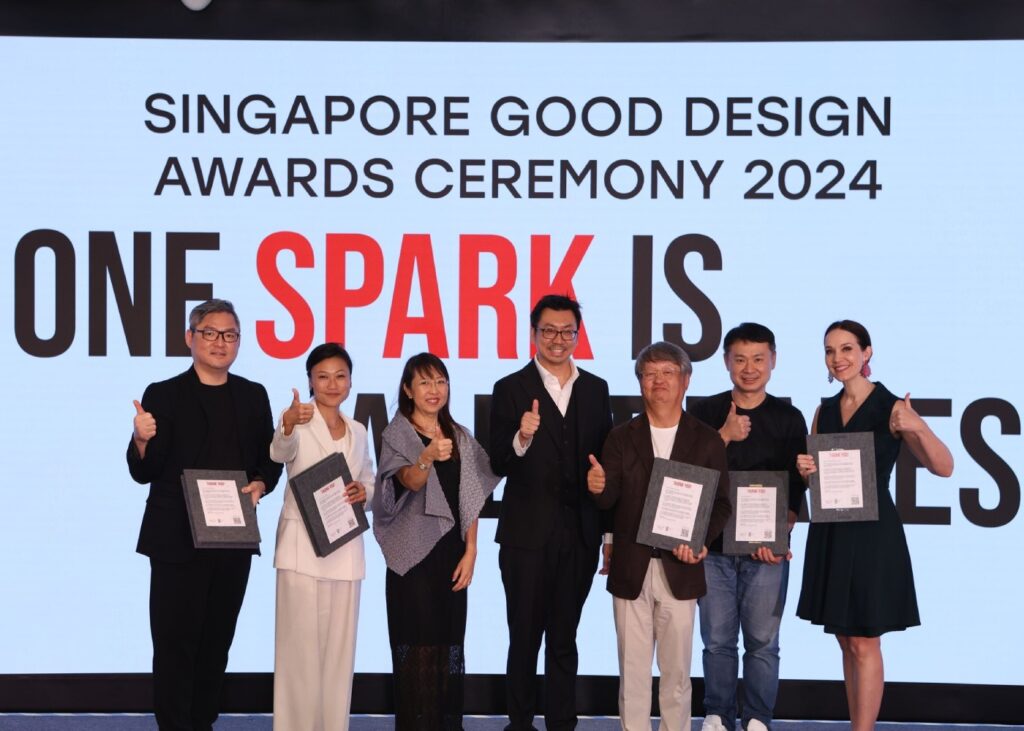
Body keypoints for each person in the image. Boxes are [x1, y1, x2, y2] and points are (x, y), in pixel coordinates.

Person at [126, 298, 282, 731]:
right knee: (176, 643)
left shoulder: (253, 395)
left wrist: (261, 482)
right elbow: (146, 470)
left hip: (232, 539)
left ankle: (203, 722)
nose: (220, 342)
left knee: (217, 642)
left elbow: (268, 458)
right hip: (176, 541)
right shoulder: (164, 393)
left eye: (229, 335)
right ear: (189, 339)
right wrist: (140, 440)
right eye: (210, 333)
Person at [795, 320, 953, 731]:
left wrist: (918, 425)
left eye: (847, 349)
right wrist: (806, 469)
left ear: (867, 353)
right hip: (832, 530)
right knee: (846, 640)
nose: (838, 358)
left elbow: (944, 466)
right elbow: (817, 480)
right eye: (830, 351)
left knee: (865, 639)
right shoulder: (824, 410)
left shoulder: (892, 407)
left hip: (872, 534)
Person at [588, 341, 731, 731]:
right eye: (650, 374)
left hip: (680, 568)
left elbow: (722, 504)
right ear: (640, 383)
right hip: (631, 566)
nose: (659, 381)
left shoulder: (706, 439)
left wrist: (700, 541)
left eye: (668, 372)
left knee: (677, 678)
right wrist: (598, 486)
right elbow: (608, 501)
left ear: (686, 380)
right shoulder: (621, 436)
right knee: (632, 675)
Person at [488, 294, 613, 731]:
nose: (558, 340)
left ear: (578, 335)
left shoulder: (596, 389)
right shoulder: (509, 388)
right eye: (549, 331)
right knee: (524, 637)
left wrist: (608, 531)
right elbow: (495, 463)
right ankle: (519, 723)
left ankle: (562, 722)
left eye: (567, 332)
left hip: (579, 534)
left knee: (564, 638)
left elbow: (606, 465)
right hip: (525, 536)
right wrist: (520, 437)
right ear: (534, 333)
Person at [688, 323, 808, 731]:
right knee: (717, 642)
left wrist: (783, 531)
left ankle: (758, 717)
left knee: (763, 644)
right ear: (726, 362)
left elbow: (797, 486)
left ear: (773, 360)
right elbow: (689, 473)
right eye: (740, 359)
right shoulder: (704, 411)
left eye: (758, 359)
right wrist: (723, 435)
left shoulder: (789, 416)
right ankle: (717, 714)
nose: (749, 368)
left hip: (766, 552)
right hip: (713, 549)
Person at [373, 352, 500, 731]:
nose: (434, 390)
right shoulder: (396, 434)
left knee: (448, 649)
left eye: (440, 381)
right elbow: (407, 484)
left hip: (451, 556)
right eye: (424, 382)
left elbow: (472, 497)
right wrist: (426, 456)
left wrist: (472, 550)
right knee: (417, 650)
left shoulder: (460, 435)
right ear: (408, 390)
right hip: (411, 560)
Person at [269, 343, 374, 731]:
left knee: (339, 656)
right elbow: (281, 453)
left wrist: (367, 492)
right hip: (301, 552)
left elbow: (368, 478)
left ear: (350, 381)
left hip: (345, 550)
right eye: (323, 376)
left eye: (340, 376)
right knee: (299, 654)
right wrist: (288, 424)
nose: (332, 384)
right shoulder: (297, 420)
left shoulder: (359, 430)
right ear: (310, 380)